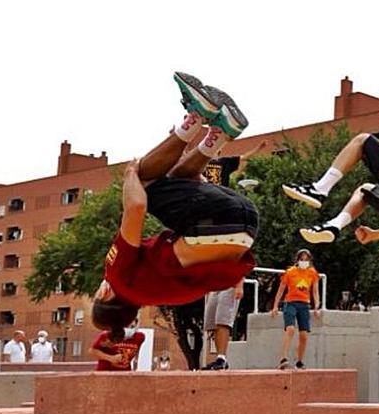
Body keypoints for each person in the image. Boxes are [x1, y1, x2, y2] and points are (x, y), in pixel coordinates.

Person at [92, 73, 257, 341]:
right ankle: (196, 117)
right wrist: (131, 176)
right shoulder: (117, 276)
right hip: (209, 224)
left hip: (246, 226)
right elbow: (135, 208)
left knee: (177, 178)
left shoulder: (161, 293)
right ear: (105, 294)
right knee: (147, 179)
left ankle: (220, 133)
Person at [271, 248, 321, 370]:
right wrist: (275, 306)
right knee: (290, 329)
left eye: (306, 259)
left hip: (304, 304)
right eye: (301, 259)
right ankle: (283, 358)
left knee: (304, 334)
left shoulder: (312, 273)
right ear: (297, 260)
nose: (304, 261)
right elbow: (281, 289)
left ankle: (299, 361)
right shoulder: (290, 272)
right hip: (290, 303)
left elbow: (315, 290)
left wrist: (317, 306)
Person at [201, 279, 245, 370]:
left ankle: (222, 358)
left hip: (230, 285)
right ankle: (219, 358)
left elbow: (242, 265)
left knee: (223, 322)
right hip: (215, 287)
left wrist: (239, 285)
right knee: (213, 324)